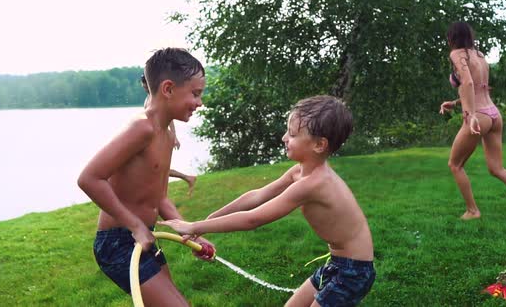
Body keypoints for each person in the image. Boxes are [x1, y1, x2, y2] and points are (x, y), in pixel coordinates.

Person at [159, 95, 376, 306]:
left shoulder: (314, 184)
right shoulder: (299, 172)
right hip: (338, 264)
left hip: (353, 272)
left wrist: (193, 225)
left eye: (292, 134)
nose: (284, 138)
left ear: (319, 145)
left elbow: (253, 219)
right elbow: (257, 196)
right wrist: (208, 223)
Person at [78, 47, 213, 306]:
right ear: (168, 89)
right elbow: (90, 178)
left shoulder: (167, 134)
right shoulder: (142, 128)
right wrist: (135, 225)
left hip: (143, 237)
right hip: (118, 242)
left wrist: (192, 235)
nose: (199, 103)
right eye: (195, 94)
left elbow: (159, 197)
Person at [439, 21, 506, 228]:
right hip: (493, 114)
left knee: (455, 165)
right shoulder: (479, 56)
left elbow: (469, 83)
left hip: (478, 116)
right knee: (497, 168)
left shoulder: (457, 54)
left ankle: (472, 211)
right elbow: (481, 88)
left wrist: (470, 114)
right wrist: (455, 103)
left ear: (452, 37)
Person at [142, 74, 197, 197]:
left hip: (160, 136)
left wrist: (174, 136)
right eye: (143, 86)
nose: (145, 88)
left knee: (159, 169)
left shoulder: (154, 99)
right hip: (154, 136)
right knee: (156, 169)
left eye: (146, 85)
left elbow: (169, 118)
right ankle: (187, 178)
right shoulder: (150, 98)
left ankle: (163, 194)